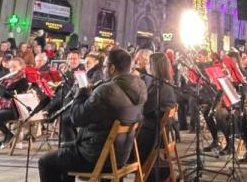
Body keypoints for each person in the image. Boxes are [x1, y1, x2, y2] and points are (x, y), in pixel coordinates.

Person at [38, 49, 147, 182]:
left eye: (105, 66)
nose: (104, 70)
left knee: (45, 162)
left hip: (95, 156)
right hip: (120, 154)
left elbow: (77, 118)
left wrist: (82, 92)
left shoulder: (107, 90)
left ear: (112, 68)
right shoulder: (140, 86)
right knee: (65, 148)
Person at [137, 52, 177, 171]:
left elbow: (143, 109)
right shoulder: (167, 84)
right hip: (159, 134)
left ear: (155, 67)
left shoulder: (158, 87)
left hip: (149, 139)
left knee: (116, 148)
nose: (146, 66)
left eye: (149, 63)